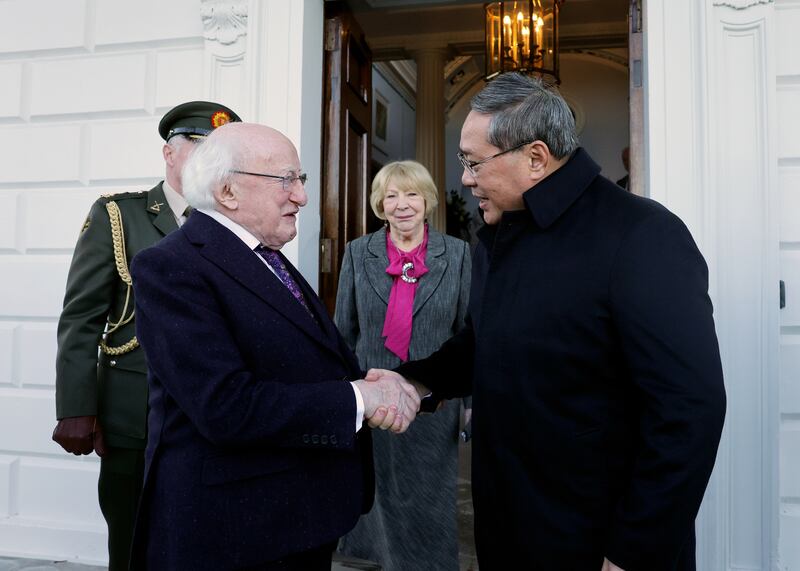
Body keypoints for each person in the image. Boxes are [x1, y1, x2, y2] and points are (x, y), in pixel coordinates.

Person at [368, 73, 726, 571]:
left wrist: (633, 551)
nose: (466, 179)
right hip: (509, 528)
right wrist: (417, 379)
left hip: (596, 541)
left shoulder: (643, 235)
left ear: (536, 158)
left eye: (473, 163)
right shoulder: (496, 234)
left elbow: (689, 409)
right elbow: (486, 340)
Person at [127, 122, 420, 570]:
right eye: (287, 179)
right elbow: (226, 406)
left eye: (299, 180)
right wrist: (361, 397)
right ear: (228, 191)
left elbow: (303, 360)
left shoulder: (264, 255)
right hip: (232, 531)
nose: (301, 196)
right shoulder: (172, 267)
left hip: (293, 517)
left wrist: (368, 381)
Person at [51, 100, 241, 570]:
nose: (208, 162)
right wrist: (76, 407)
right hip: (132, 412)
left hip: (212, 413)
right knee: (133, 538)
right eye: (197, 149)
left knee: (203, 539)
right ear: (169, 154)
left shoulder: (232, 220)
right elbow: (81, 317)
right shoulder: (120, 215)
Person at [335, 161, 471, 571]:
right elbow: (343, 330)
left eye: (411, 194)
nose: (402, 205)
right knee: (374, 495)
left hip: (433, 402)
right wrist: (344, 394)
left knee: (429, 496)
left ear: (427, 200)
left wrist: (466, 400)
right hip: (372, 399)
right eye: (391, 195)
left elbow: (468, 335)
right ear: (380, 204)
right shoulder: (359, 252)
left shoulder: (459, 253)